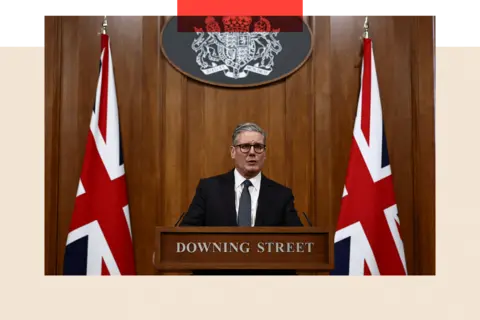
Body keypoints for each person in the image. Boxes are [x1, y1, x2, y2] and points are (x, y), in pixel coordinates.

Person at [179, 122, 303, 275]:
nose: (252, 152)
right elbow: (185, 235)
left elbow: (300, 242)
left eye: (258, 147)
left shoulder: (281, 195)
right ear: (232, 152)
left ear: (264, 153)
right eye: (245, 146)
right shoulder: (209, 189)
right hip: (217, 281)